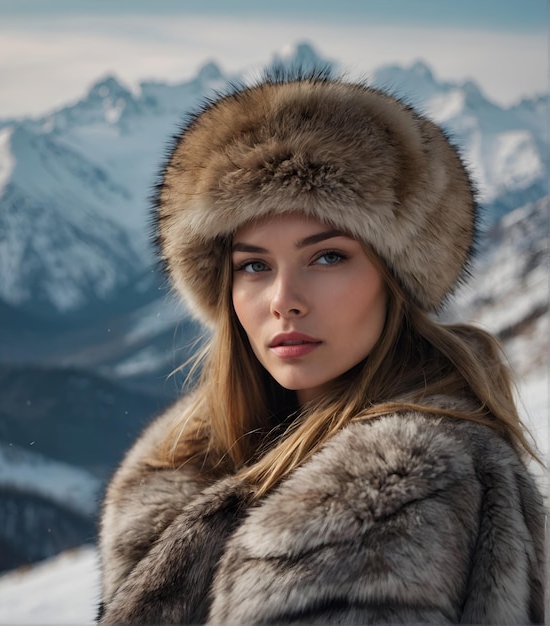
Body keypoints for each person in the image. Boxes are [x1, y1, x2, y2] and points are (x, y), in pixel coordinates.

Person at [97, 70, 546, 624]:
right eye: (254, 266)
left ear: (395, 281)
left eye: (328, 256)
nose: (283, 300)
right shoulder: (192, 467)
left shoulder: (409, 496)